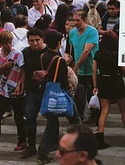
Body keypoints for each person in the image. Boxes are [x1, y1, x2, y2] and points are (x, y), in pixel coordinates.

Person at [36, 30, 82, 164]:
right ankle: (85, 146)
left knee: (50, 126)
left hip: (49, 93)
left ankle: (41, 155)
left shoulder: (43, 56)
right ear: (58, 43)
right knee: (76, 120)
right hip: (61, 93)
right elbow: (63, 80)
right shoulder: (60, 60)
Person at [0, 31, 26, 156]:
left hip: (15, 89)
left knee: (18, 116)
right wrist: (3, 67)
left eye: (10, 42)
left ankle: (22, 141)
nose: (9, 45)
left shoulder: (17, 54)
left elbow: (23, 72)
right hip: (2, 90)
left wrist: (20, 87)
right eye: (6, 43)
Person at [93, 31, 125, 149]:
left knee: (104, 110)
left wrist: (95, 86)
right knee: (123, 110)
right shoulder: (118, 54)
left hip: (103, 82)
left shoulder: (98, 54)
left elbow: (94, 71)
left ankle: (100, 137)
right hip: (116, 82)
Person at [20, 28, 49, 158]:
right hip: (31, 89)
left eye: (37, 40)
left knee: (51, 118)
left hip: (47, 90)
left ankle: (49, 144)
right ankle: (31, 145)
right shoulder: (26, 52)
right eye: (31, 41)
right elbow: (23, 70)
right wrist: (21, 86)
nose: (35, 43)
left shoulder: (49, 51)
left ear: (42, 39)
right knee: (30, 116)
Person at [69, 9, 99, 121]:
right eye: (74, 20)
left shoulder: (92, 32)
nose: (75, 23)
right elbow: (71, 49)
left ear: (85, 20)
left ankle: (94, 115)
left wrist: (76, 66)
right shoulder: (72, 33)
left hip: (91, 68)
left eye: (78, 20)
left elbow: (87, 50)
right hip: (78, 69)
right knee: (78, 94)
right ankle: (79, 115)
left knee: (92, 93)